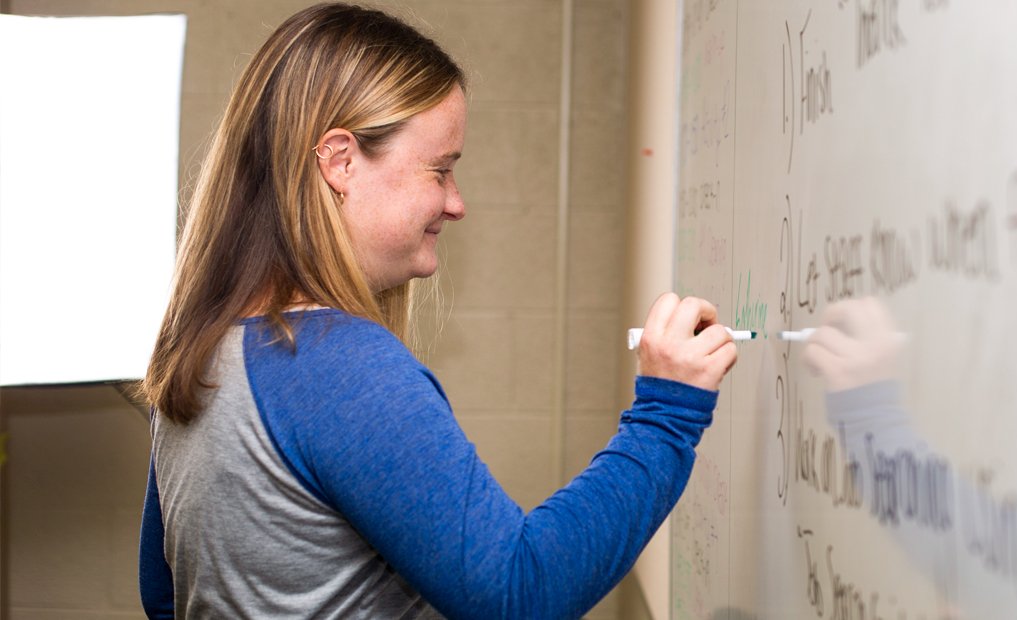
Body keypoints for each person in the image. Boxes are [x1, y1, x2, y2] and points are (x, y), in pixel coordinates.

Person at [137, 4, 737, 618]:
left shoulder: (200, 351)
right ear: (341, 162)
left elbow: (165, 595)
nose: (456, 204)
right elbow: (519, 593)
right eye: (441, 170)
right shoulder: (333, 365)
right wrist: (667, 412)